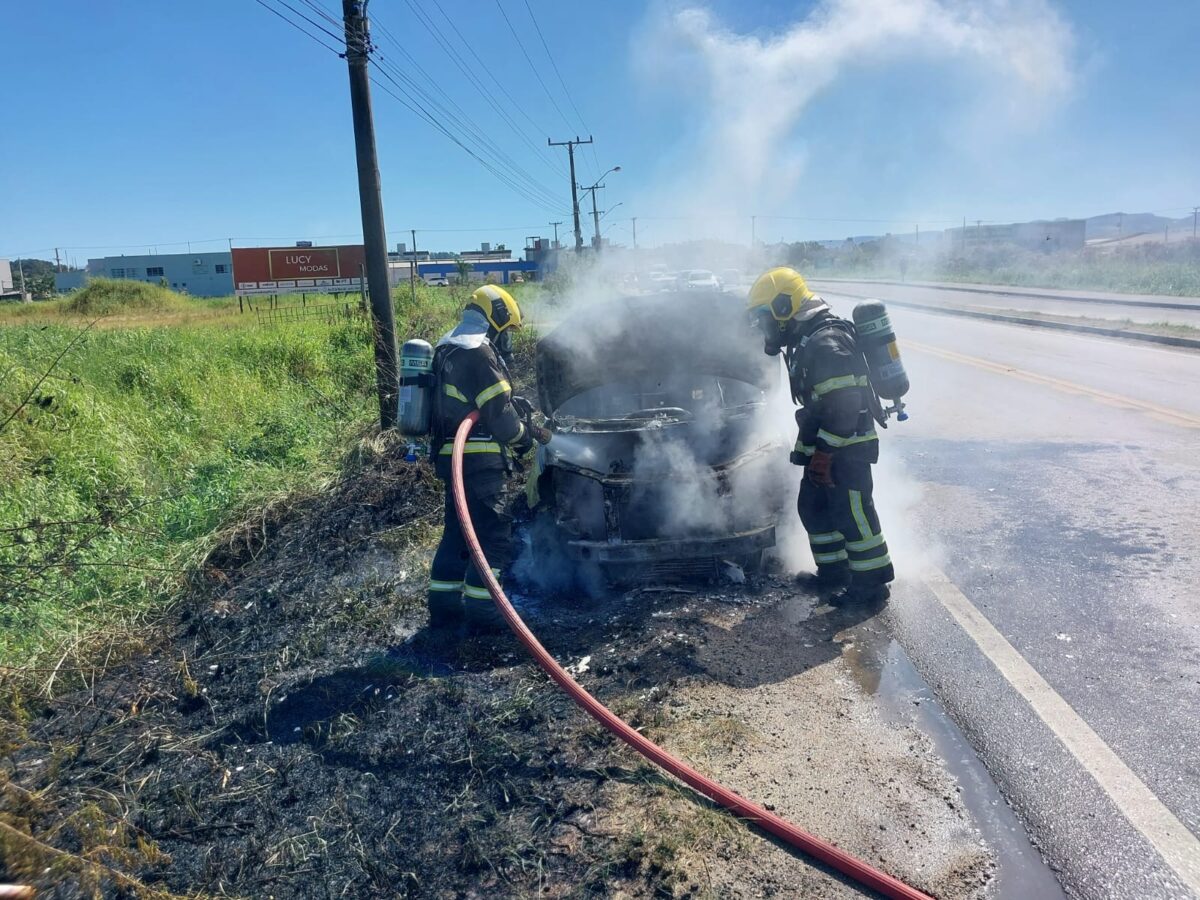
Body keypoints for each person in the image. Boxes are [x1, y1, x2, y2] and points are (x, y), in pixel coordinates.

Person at [747, 267, 894, 604]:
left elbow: (844, 405)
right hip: (826, 443)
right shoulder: (807, 338)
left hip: (847, 446)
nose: (761, 325)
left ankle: (871, 586)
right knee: (813, 507)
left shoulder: (826, 342)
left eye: (762, 316)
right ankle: (834, 574)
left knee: (852, 513)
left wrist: (825, 455)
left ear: (784, 308)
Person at [426, 285, 549, 633]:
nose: (507, 342)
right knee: (494, 535)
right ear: (495, 317)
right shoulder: (477, 351)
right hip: (479, 458)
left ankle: (444, 608)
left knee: (457, 534)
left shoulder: (446, 347)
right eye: (507, 332)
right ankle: (485, 612)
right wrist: (525, 439)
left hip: (451, 458)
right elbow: (498, 414)